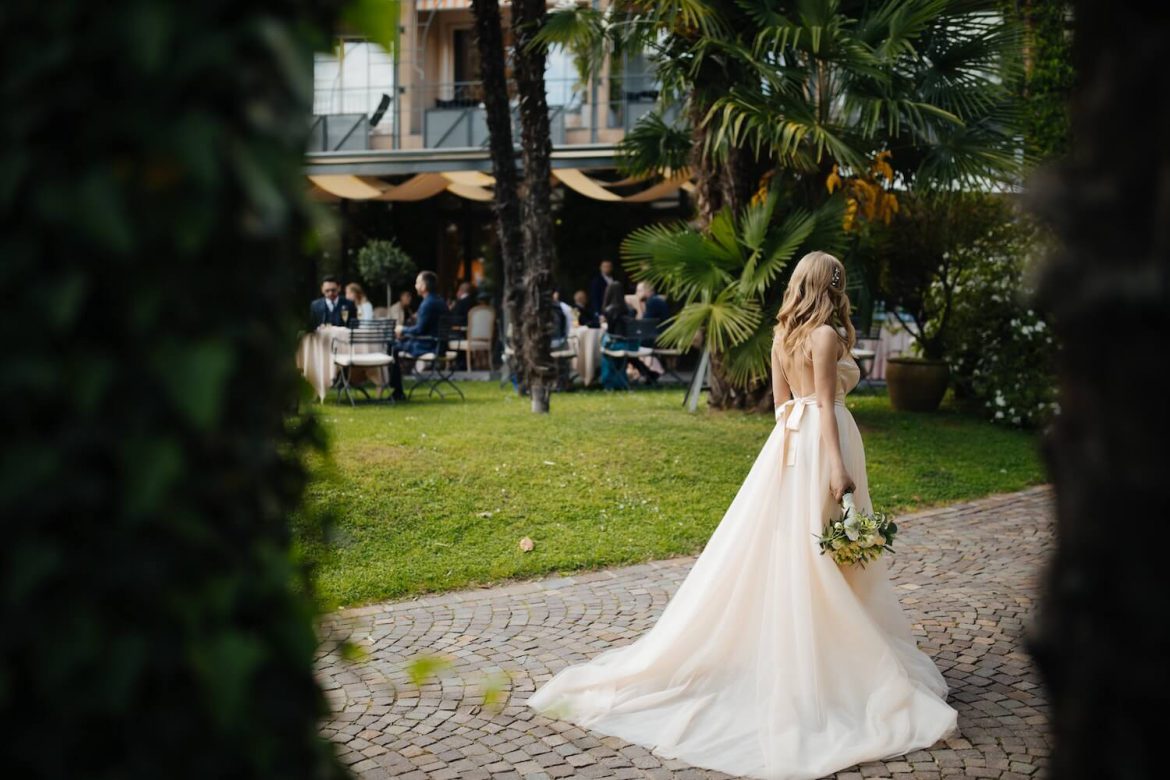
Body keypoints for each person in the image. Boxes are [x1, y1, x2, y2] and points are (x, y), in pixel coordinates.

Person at [527, 252, 957, 779]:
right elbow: (824, 404)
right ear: (833, 285)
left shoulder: (784, 335)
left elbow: (783, 407)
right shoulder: (823, 337)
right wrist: (837, 468)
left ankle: (811, 643)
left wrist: (791, 454)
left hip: (789, 445)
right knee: (827, 549)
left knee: (803, 546)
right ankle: (827, 657)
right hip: (826, 444)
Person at [387, 271, 446, 399]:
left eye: (417, 283)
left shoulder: (427, 304)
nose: (415, 286)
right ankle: (396, 389)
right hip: (439, 344)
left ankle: (397, 391)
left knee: (391, 347)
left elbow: (419, 330)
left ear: (424, 286)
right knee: (395, 345)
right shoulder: (440, 301)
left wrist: (402, 330)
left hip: (428, 345)